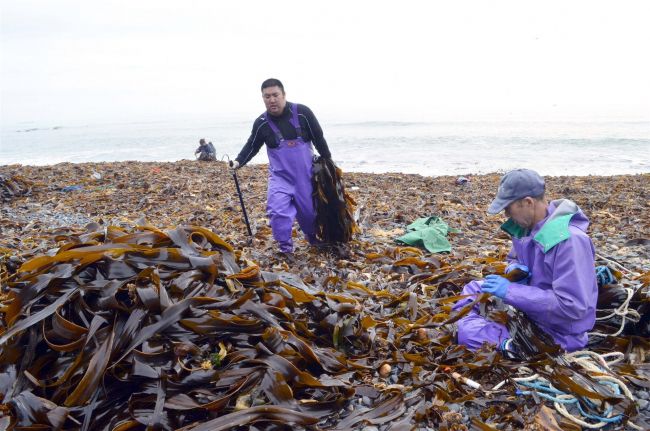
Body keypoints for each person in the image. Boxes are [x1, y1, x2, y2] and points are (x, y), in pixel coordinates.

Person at [453, 169, 598, 357]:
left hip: (557, 333)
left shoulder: (570, 241)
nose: (506, 215)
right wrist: (513, 268)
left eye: (508, 208)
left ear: (528, 202)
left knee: (468, 334)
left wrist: (510, 291)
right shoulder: (527, 228)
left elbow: (571, 307)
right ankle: (468, 325)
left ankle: (511, 346)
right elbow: (514, 258)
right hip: (529, 311)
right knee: (474, 288)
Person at [231, 78, 332, 255]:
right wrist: (238, 162)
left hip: (305, 177)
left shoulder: (302, 113)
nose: (271, 99)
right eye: (267, 96)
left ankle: (313, 239)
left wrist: (327, 160)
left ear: (284, 95)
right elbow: (252, 145)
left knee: (309, 215)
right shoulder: (261, 122)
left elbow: (318, 137)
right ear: (263, 98)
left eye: (275, 95)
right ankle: (285, 249)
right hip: (280, 178)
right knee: (277, 211)